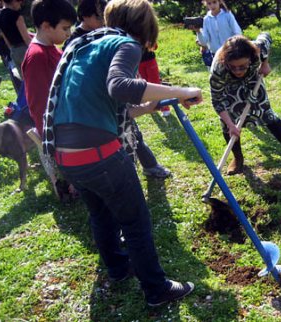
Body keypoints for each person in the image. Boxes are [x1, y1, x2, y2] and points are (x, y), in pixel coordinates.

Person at [42, 0, 202, 306]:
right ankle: (157, 289)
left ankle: (117, 268)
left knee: (100, 213)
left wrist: (152, 104)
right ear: (144, 29)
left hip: (66, 157)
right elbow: (121, 86)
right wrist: (181, 91)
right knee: (136, 222)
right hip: (98, 156)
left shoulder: (85, 45)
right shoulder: (126, 44)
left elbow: (113, 106)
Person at [62, 0, 171, 179]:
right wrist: (180, 92)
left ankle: (148, 165)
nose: (103, 22)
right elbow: (119, 87)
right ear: (85, 17)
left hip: (101, 116)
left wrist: (144, 100)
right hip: (97, 118)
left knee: (133, 134)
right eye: (98, 17)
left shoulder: (104, 38)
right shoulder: (84, 41)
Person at [210, 33, 281, 174]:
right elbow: (217, 100)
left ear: (251, 57)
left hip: (253, 80)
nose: (238, 70)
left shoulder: (257, 50)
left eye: (242, 66)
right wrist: (230, 125)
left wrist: (265, 63)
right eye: (233, 67)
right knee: (228, 122)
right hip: (229, 86)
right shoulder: (219, 69)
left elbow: (266, 36)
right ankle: (238, 158)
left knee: (267, 114)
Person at [21, 0, 77, 196]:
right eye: (65, 28)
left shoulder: (52, 47)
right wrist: (49, 135)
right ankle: (65, 186)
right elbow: (38, 103)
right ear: (46, 26)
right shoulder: (37, 56)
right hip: (58, 127)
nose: (68, 33)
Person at [188, 0, 241, 68]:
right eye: (209, 3)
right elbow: (204, 41)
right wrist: (198, 31)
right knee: (217, 77)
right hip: (215, 54)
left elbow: (237, 32)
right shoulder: (206, 19)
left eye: (214, 2)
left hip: (230, 52)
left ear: (219, 2)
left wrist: (236, 47)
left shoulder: (227, 15)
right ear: (206, 4)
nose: (212, 5)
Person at [0, 0, 21, 92]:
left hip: (17, 47)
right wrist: (5, 32)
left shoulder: (5, 14)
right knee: (15, 75)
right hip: (4, 50)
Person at [0, 0, 32, 78]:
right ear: (13, 1)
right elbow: (26, 38)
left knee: (25, 80)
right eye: (19, 1)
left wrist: (12, 50)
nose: (20, 4)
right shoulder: (17, 16)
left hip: (14, 51)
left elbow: (5, 39)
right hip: (25, 49)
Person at [138, 45, 171, 117]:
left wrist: (149, 44)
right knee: (145, 85)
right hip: (138, 62)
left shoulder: (147, 34)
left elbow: (155, 46)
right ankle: (150, 106)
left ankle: (165, 108)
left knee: (156, 84)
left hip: (150, 60)